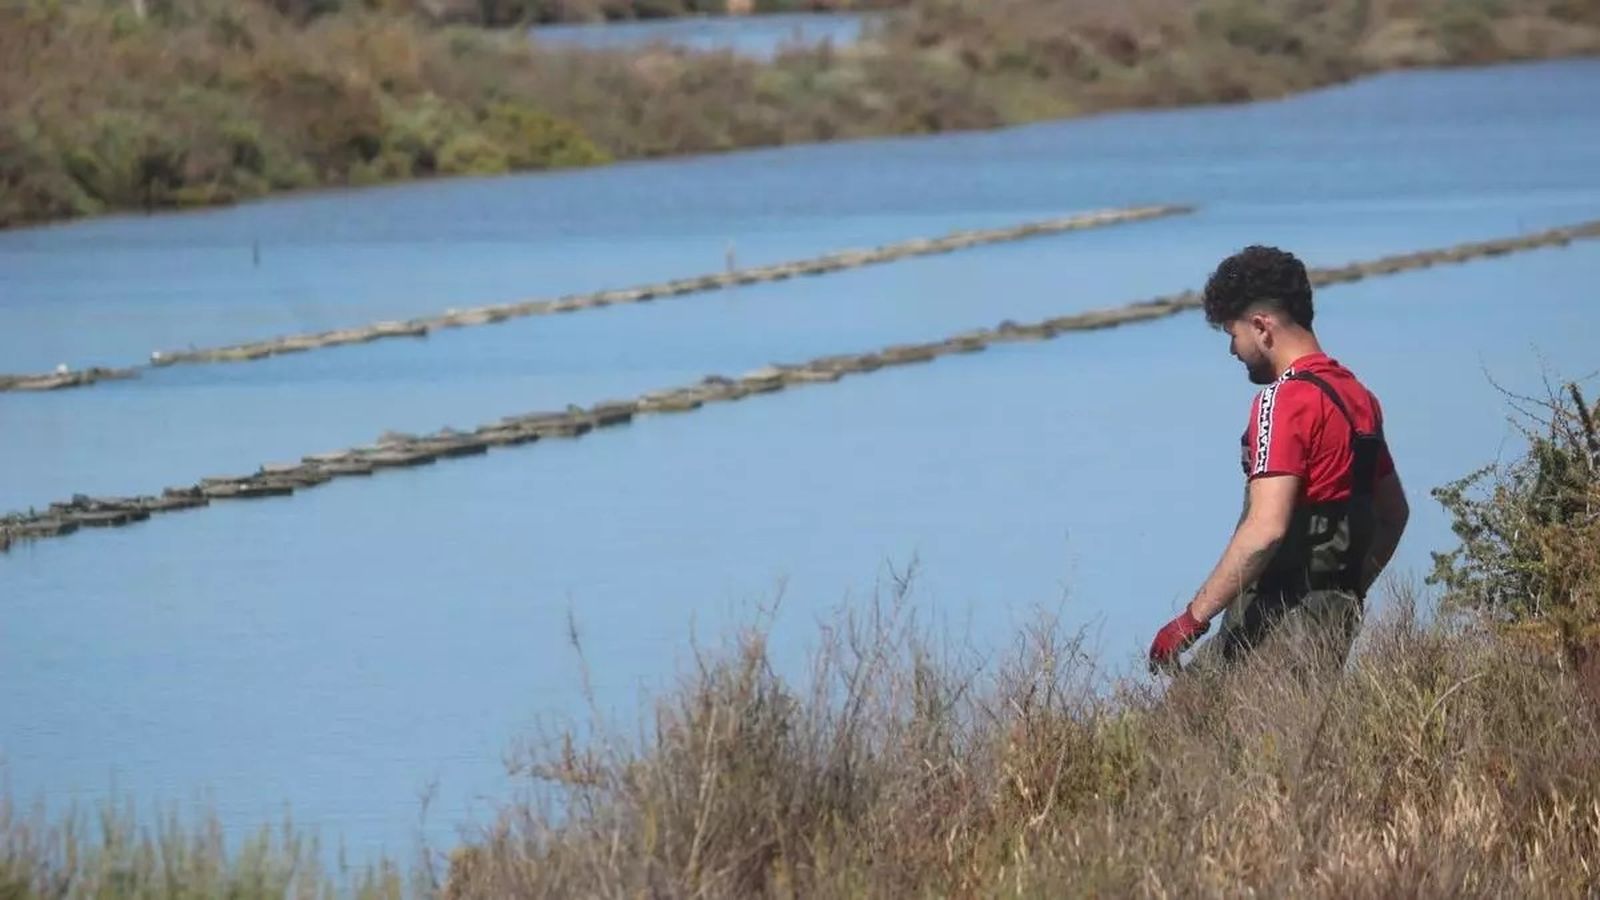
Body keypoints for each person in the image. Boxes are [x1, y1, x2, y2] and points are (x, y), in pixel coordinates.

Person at [1148, 246, 1410, 672]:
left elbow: (1266, 530)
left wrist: (1190, 620)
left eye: (1233, 335)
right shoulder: (1359, 398)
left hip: (1272, 623)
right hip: (1331, 624)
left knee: (1178, 731)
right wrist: (1349, 592)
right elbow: (1394, 516)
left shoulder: (1283, 400)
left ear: (1261, 327)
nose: (1233, 351)